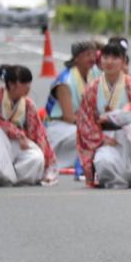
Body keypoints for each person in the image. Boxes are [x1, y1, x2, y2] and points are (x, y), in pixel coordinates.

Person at [75, 36, 131, 189]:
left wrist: (114, 116)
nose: (109, 62)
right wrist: (101, 139)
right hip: (107, 138)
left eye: (115, 58)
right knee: (103, 162)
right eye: (106, 57)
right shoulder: (93, 88)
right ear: (100, 61)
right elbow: (85, 121)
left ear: (123, 61)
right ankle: (119, 180)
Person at [0, 64, 57, 187]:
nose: (28, 87)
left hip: (17, 145)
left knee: (37, 158)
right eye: (24, 83)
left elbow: (38, 132)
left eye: (29, 83)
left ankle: (10, 176)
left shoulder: (28, 104)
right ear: (11, 84)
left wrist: (49, 164)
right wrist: (17, 133)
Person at [44, 39, 100, 170]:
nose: (92, 58)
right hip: (61, 126)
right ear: (76, 58)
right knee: (88, 135)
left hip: (86, 122)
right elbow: (68, 117)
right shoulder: (65, 82)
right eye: (87, 55)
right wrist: (92, 123)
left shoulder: (95, 73)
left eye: (93, 54)